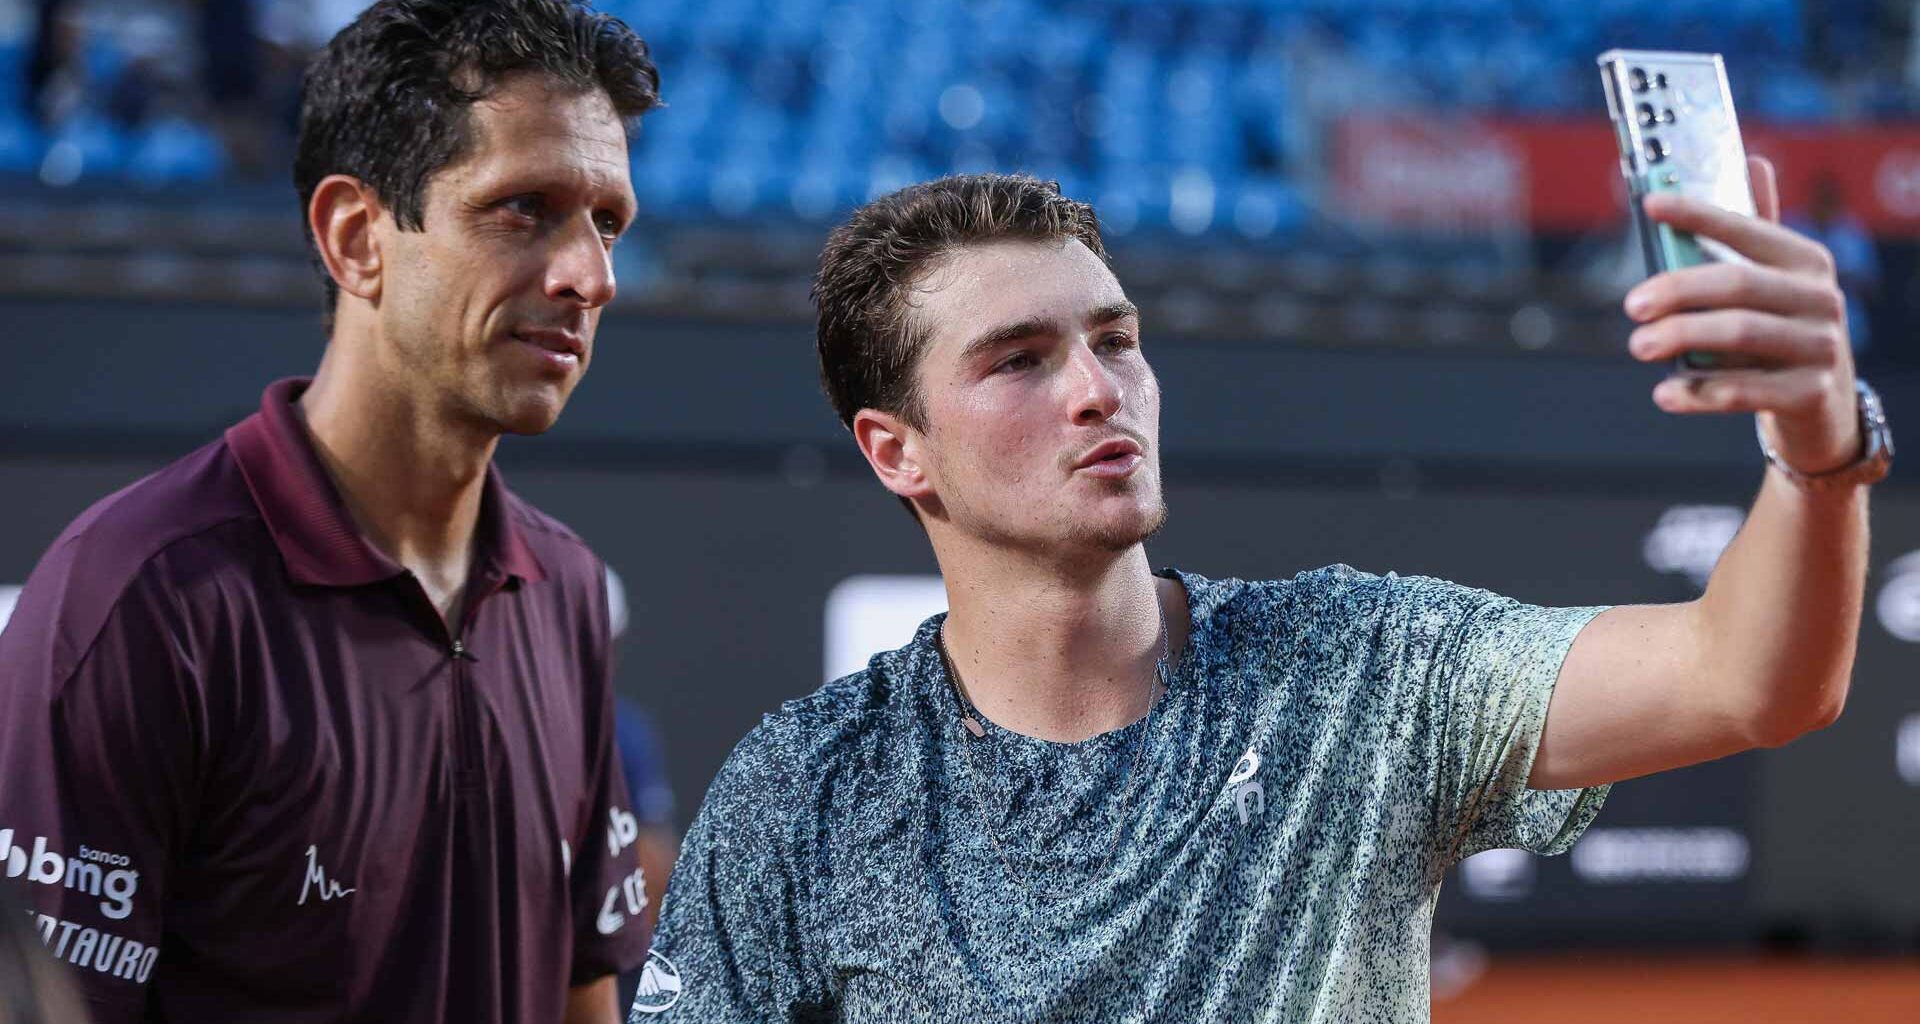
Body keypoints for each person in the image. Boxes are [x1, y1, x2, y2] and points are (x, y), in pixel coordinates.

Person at [638, 167, 1888, 1021]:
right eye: (1019, 360)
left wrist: (1819, 450)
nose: (1097, 388)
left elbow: (1752, 677)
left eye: (1115, 338)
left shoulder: (1358, 668)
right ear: (896, 449)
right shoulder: (803, 788)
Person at [0, 2, 661, 1021]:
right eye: (524, 208)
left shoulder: (564, 586)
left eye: (606, 222)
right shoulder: (141, 593)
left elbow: (585, 992)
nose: (592, 277)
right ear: (357, 238)